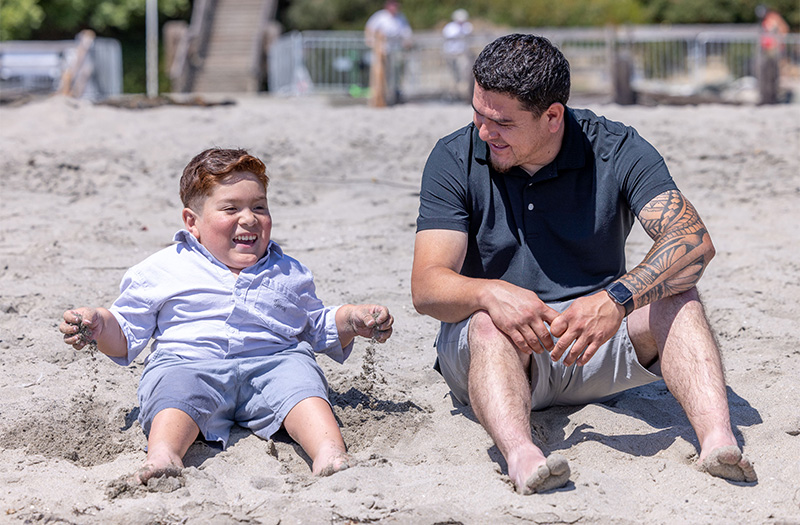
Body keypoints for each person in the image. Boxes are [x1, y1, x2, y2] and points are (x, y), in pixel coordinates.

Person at [411, 33, 756, 495]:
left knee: (680, 294)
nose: (483, 131)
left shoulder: (616, 148)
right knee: (488, 323)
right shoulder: (453, 157)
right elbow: (427, 287)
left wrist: (616, 300)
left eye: (501, 123)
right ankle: (522, 455)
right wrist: (488, 292)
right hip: (498, 353)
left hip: (596, 346)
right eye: (477, 113)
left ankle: (718, 442)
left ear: (552, 116)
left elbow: (692, 240)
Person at [59, 148, 394, 484]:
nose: (249, 219)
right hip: (190, 363)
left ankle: (329, 452)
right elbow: (126, 333)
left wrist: (351, 319)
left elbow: (315, 325)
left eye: (259, 207)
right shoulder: (162, 270)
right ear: (192, 222)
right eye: (231, 208)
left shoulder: (288, 271)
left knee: (302, 383)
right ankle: (163, 455)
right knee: (173, 389)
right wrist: (100, 324)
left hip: (272, 363)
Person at [364, 0, 413, 105]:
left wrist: (407, 41)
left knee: (397, 72)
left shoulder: (401, 17)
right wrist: (372, 42)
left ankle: (394, 93)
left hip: (396, 49)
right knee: (381, 74)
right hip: (382, 49)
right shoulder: (380, 16)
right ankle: (380, 96)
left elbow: (406, 32)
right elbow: (369, 29)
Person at [442, 9, 474, 102]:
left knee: (464, 75)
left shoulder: (467, 26)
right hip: (451, 54)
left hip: (462, 54)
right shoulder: (450, 27)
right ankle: (454, 95)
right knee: (453, 76)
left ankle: (464, 96)